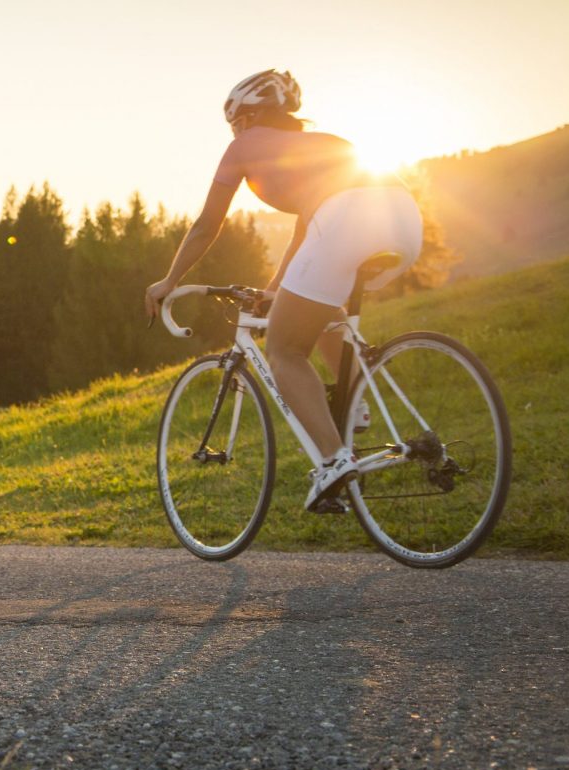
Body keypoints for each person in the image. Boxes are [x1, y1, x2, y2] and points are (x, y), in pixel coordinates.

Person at [143, 69, 423, 511]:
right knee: (322, 309)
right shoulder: (323, 145)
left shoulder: (244, 146)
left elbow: (206, 225)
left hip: (345, 218)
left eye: (235, 122)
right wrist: (275, 290)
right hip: (403, 217)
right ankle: (355, 407)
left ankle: (334, 461)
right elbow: (305, 234)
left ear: (250, 117)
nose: (234, 131)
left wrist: (170, 279)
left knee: (285, 351)